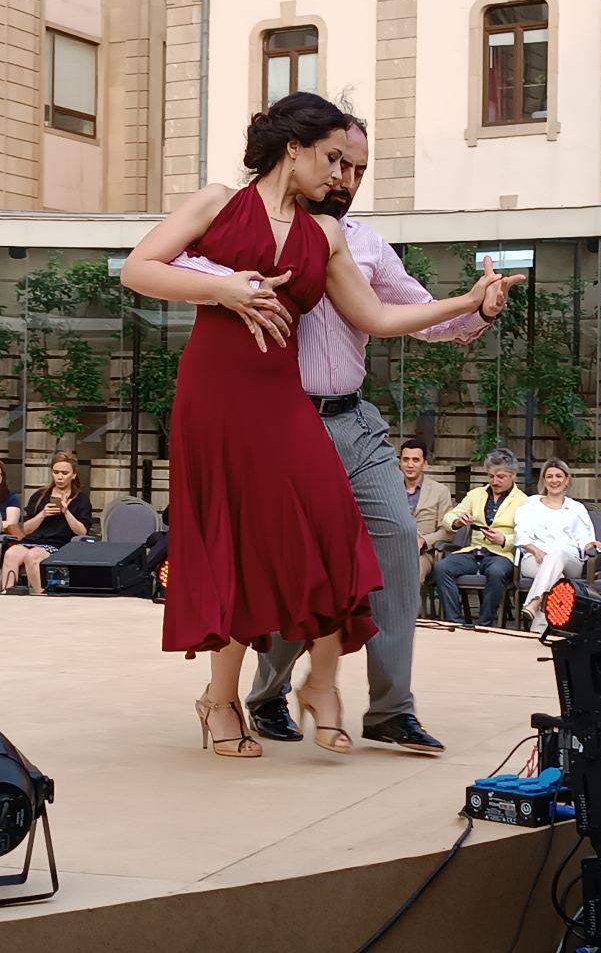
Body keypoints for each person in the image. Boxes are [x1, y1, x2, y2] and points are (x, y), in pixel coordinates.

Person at [120, 93, 507, 759]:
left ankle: (324, 687)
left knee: (336, 535)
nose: (341, 175)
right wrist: (222, 287)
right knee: (237, 544)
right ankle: (223, 699)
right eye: (332, 158)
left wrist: (470, 302)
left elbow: (379, 318)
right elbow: (138, 268)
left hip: (284, 401)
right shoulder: (216, 202)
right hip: (215, 395)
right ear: (292, 148)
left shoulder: (327, 237)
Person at [436, 449, 530, 627]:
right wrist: (457, 521)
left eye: (500, 477)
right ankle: (454, 622)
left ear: (513, 475)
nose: (495, 481)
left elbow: (526, 535)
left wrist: (504, 539)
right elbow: (448, 517)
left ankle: (484, 624)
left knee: (496, 572)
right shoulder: (475, 495)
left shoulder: (523, 501)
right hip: (475, 551)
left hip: (502, 554)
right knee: (442, 567)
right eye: (491, 476)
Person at [515, 459, 601, 633]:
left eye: (558, 476)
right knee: (557, 578)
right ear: (543, 480)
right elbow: (521, 534)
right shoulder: (531, 504)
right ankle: (540, 628)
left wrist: (592, 544)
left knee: (557, 554)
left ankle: (533, 603)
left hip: (570, 560)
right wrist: (535, 550)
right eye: (549, 476)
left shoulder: (576, 508)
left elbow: (584, 540)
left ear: (566, 480)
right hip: (535, 559)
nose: (554, 480)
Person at [0, 452, 92, 595]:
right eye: (56, 472)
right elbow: (26, 530)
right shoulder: (39, 496)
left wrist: (66, 512)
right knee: (11, 553)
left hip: (59, 543)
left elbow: (82, 532)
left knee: (33, 555)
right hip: (33, 540)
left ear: (74, 475)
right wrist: (42, 514)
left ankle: (41, 595)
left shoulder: (81, 499)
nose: (60, 477)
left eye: (65, 473)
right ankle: (7, 593)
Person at [401, 439, 453, 587]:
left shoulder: (440, 491)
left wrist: (424, 541)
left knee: (412, 569)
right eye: (406, 460)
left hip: (423, 554)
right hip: (393, 548)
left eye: (415, 460)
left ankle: (408, 611)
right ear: (400, 462)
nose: (410, 465)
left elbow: (447, 532)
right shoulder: (390, 489)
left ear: (424, 463)